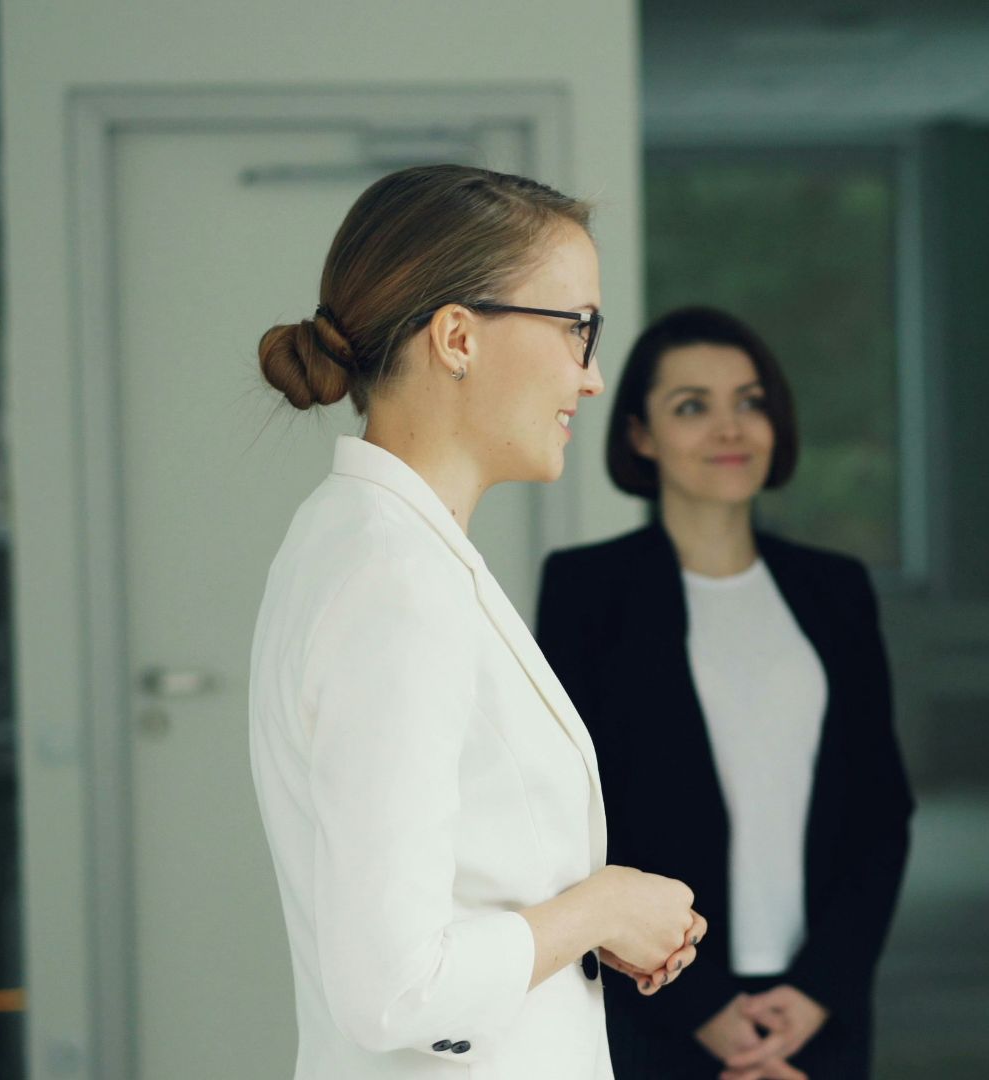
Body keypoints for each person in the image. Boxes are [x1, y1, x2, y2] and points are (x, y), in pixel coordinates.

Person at [248, 164, 707, 1080]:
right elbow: (392, 987)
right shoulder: (392, 579)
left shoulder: (377, 544)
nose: (594, 375)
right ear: (457, 336)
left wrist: (574, 925)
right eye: (578, 327)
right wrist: (599, 908)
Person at [536, 306, 914, 1080]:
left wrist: (819, 990)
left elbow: (881, 807)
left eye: (750, 401)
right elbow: (573, 817)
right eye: (691, 407)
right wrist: (701, 1008)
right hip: (660, 1002)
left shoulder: (835, 590)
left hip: (812, 1012)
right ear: (640, 435)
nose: (730, 428)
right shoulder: (586, 591)